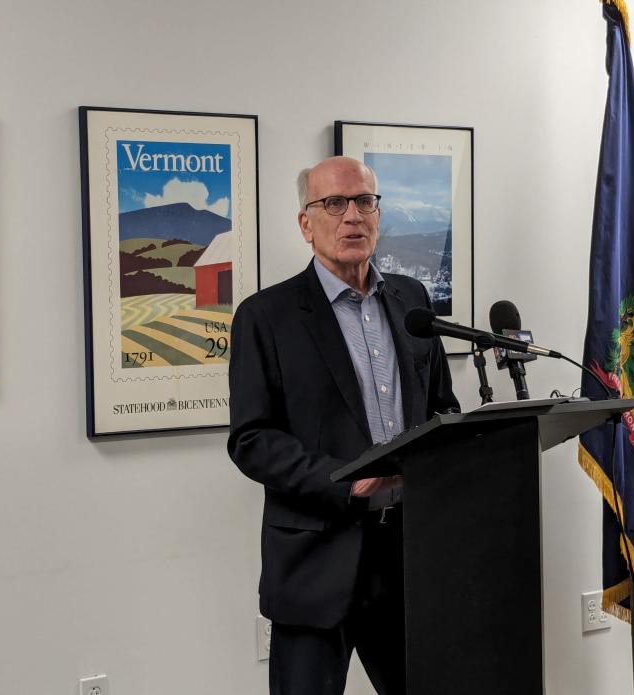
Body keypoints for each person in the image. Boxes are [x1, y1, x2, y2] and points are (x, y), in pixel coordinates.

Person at [227, 156, 460, 695]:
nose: (352, 216)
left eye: (364, 201)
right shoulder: (267, 316)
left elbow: (440, 407)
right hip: (316, 560)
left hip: (408, 554)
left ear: (379, 214)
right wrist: (347, 482)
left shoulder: (413, 301)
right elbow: (251, 440)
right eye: (334, 203)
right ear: (306, 224)